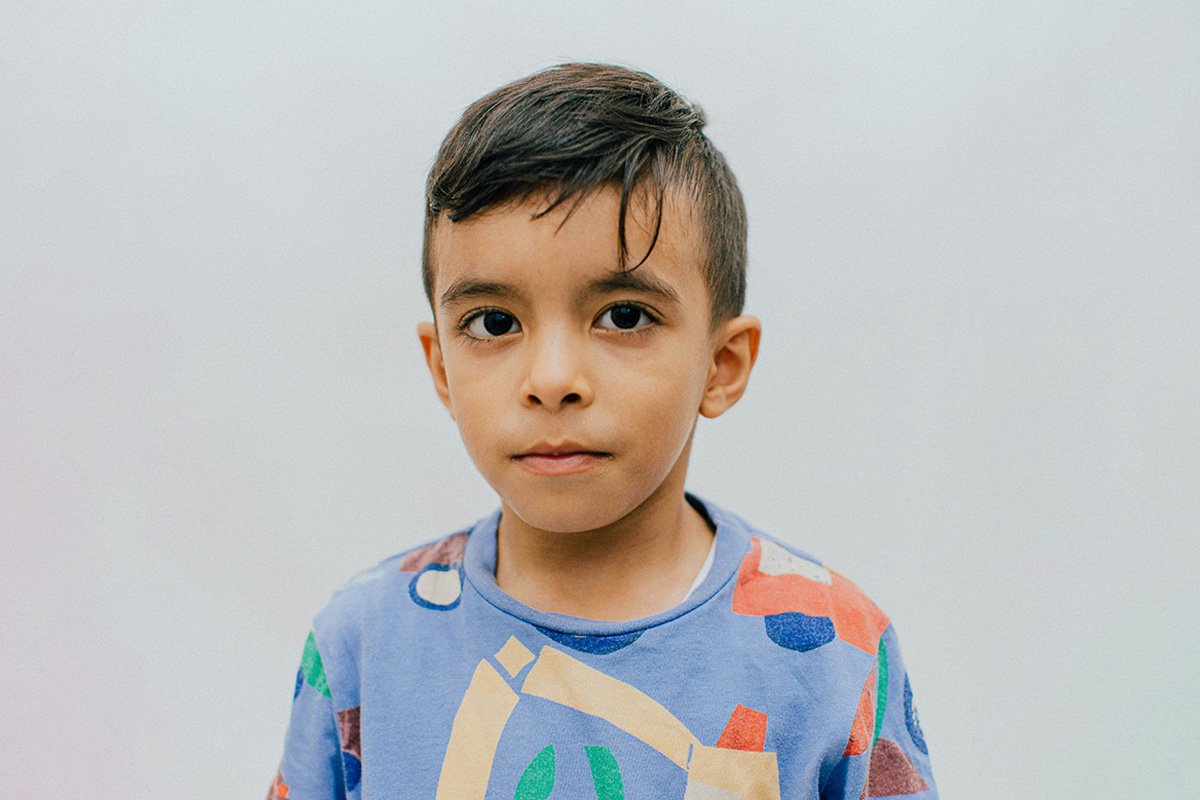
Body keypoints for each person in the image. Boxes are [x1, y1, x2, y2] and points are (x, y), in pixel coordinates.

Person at [269, 62, 937, 799]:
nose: (552, 378)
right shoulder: (364, 644)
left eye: (623, 316)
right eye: (494, 323)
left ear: (721, 364)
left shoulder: (831, 649)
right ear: (441, 369)